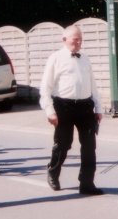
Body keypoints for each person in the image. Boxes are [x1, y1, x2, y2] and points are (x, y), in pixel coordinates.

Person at [39, 25, 103, 195]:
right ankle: (53, 171)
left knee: (89, 146)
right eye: (75, 39)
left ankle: (87, 183)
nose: (79, 42)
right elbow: (45, 88)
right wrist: (49, 111)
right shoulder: (55, 58)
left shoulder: (85, 58)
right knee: (63, 144)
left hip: (85, 107)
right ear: (64, 39)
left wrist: (99, 107)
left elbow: (93, 85)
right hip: (63, 107)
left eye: (80, 39)